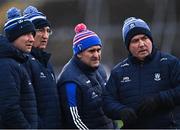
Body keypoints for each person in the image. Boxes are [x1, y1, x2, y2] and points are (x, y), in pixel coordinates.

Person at [102, 17, 180, 129]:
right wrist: (121, 111)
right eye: (135, 41)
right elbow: (107, 101)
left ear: (151, 40)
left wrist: (159, 99)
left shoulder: (170, 63)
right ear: (128, 46)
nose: (142, 44)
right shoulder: (119, 72)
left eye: (144, 38)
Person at [57, 23, 114, 129]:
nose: (96, 55)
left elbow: (109, 106)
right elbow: (74, 120)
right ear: (78, 53)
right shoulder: (70, 81)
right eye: (91, 51)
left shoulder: (100, 70)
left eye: (98, 50)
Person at [23, 6, 61, 128]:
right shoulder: (24, 61)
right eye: (40, 30)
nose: (45, 36)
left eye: (48, 30)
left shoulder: (46, 62)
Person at [0, 7, 37, 128]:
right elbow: (9, 109)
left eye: (32, 34)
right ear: (13, 36)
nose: (32, 39)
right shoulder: (6, 65)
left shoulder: (17, 62)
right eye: (26, 34)